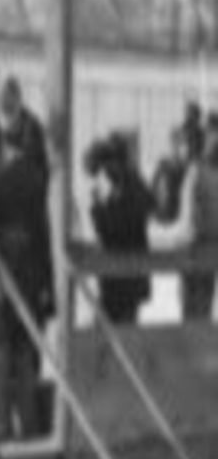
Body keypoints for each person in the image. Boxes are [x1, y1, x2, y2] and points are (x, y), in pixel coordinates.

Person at [0, 121, 54, 440]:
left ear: (5, 144)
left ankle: (1, 428)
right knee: (26, 357)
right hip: (32, 278)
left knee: (1, 355)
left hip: (3, 279)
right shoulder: (38, 179)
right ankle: (30, 427)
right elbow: (45, 236)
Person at [152, 121, 218, 322]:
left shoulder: (196, 172)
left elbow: (189, 215)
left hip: (196, 244)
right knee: (203, 304)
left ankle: (192, 346)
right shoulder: (205, 173)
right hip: (211, 244)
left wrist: (179, 237)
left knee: (191, 305)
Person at [85, 134, 153, 324]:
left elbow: (113, 229)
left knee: (112, 330)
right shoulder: (130, 182)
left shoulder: (128, 185)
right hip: (123, 276)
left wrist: (97, 209)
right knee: (120, 328)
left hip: (122, 276)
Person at [0, 76, 48, 180]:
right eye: (0, 97)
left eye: (5, 96)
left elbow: (29, 160)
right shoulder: (8, 126)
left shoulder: (30, 125)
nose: (0, 101)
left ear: (16, 97)